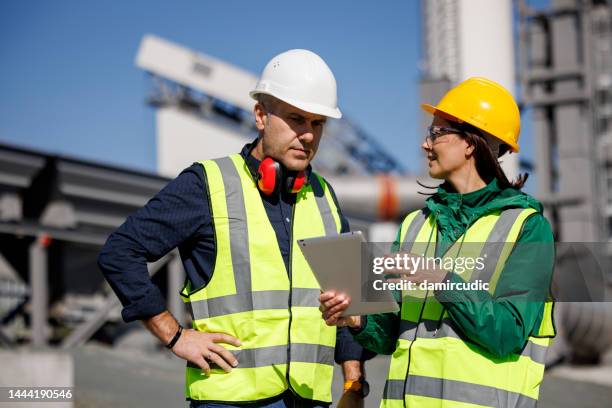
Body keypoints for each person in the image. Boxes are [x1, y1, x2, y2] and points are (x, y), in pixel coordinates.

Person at [98, 49, 372, 408]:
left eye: (317, 123)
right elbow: (120, 252)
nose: (307, 135)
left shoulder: (324, 196)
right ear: (261, 115)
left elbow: (352, 297)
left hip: (309, 400)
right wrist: (175, 335)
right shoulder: (207, 185)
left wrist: (354, 383)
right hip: (229, 400)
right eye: (296, 119)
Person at [320, 77, 556, 408]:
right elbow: (390, 334)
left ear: (471, 143)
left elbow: (507, 333)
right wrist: (357, 319)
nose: (424, 143)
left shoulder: (527, 229)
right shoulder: (415, 225)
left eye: (436, 133)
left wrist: (440, 279)